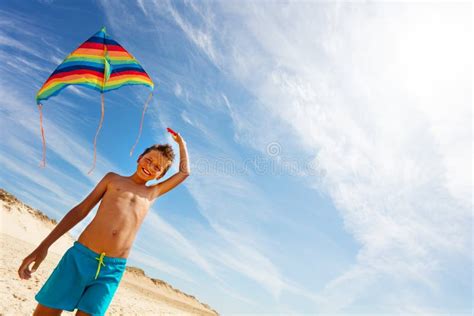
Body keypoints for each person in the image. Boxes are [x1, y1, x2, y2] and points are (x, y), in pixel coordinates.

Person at [18, 130, 190, 316]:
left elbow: (184, 172)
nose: (151, 166)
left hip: (110, 270)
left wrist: (182, 144)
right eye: (148, 160)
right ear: (139, 158)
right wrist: (44, 246)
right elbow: (80, 210)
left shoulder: (152, 193)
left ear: (159, 176)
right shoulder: (112, 179)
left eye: (158, 167)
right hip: (78, 258)